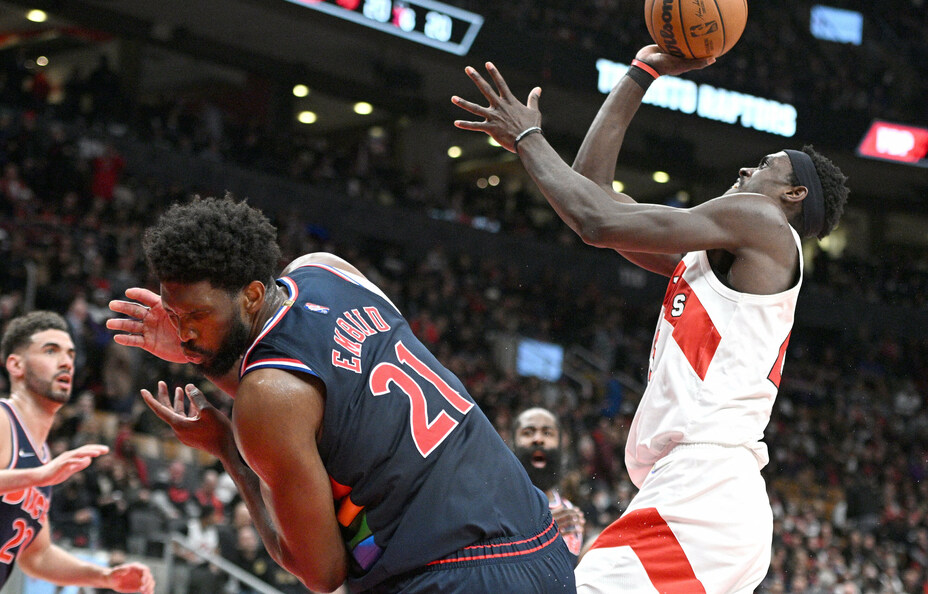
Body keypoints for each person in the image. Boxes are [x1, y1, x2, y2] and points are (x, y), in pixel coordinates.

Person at [452, 46, 849, 593]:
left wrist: (528, 139)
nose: (745, 168)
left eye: (763, 167)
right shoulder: (718, 262)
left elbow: (595, 218)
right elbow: (594, 196)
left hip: (703, 493)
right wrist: (641, 74)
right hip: (699, 496)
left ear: (793, 194)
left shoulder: (762, 222)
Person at [107, 195, 575, 593]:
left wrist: (226, 447)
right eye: (172, 311)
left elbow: (321, 573)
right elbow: (319, 385)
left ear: (250, 295)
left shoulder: (267, 399)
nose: (183, 330)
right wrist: (201, 354)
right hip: (542, 547)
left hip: (448, 576)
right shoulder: (327, 271)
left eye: (197, 315)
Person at [0, 310, 155, 593]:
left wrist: (105, 577)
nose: (66, 362)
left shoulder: (42, 455)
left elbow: (38, 555)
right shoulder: (2, 420)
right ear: (16, 365)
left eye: (71, 354)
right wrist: (38, 476)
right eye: (51, 351)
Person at [512, 407, 586, 557]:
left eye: (547, 433)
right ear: (513, 443)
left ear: (560, 444)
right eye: (528, 432)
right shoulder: (496, 503)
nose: (538, 439)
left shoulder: (568, 511)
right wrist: (544, 534)